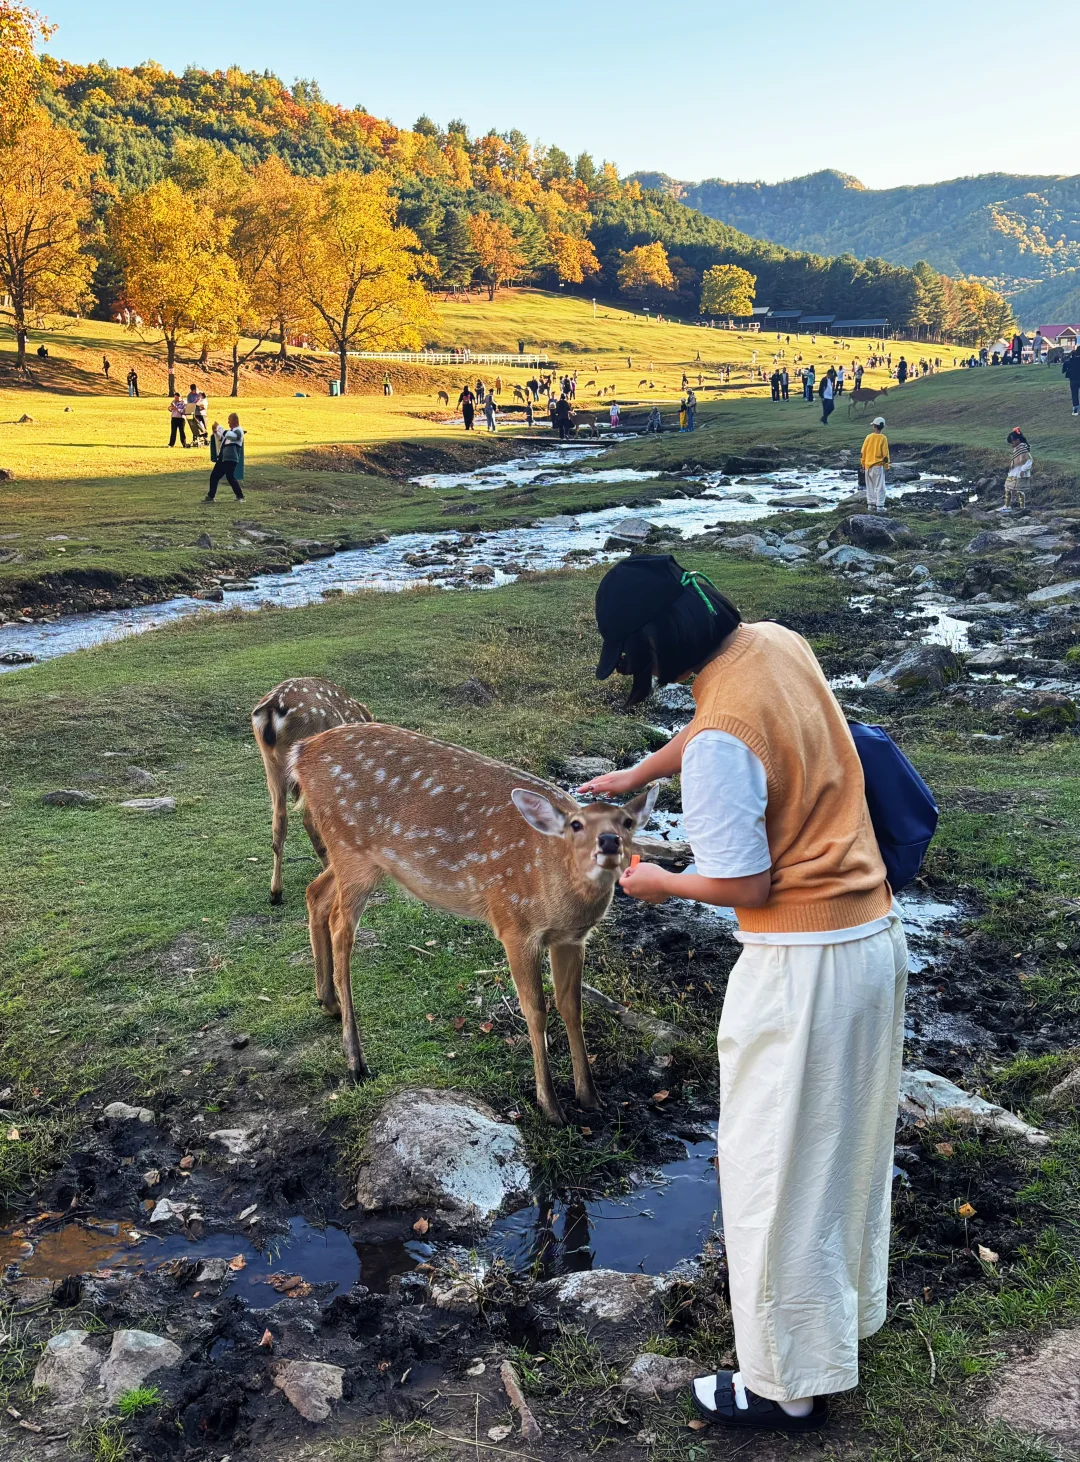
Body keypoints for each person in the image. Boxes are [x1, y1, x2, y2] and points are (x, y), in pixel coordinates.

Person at [577, 554, 906, 1437]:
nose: (637, 675)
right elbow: (719, 725)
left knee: (770, 1174)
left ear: (654, 643)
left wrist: (657, 882)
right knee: (841, 1160)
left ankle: (784, 1387)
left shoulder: (723, 738)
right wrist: (639, 773)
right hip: (872, 941)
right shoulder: (771, 644)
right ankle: (841, 1322)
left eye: (632, 657)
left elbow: (746, 885)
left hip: (803, 970)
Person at [205, 414, 245, 501]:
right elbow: (221, 439)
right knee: (214, 476)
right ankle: (211, 496)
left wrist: (219, 427)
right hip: (223, 458)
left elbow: (230, 436)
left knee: (230, 477)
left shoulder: (238, 431)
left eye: (229, 420)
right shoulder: (230, 432)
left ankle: (240, 496)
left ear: (235, 421)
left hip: (231, 458)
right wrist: (216, 432)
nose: (228, 422)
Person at [860, 416, 890, 511]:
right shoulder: (883, 438)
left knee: (869, 486)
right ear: (882, 427)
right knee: (880, 486)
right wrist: (886, 466)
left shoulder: (868, 437)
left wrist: (863, 464)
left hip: (868, 466)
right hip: (878, 465)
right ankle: (880, 506)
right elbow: (885, 454)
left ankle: (871, 504)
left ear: (874, 426)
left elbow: (863, 451)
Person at [1003, 428, 1032, 509]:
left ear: (1017, 440)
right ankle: (1006, 506)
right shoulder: (1017, 449)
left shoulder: (1023, 449)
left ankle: (1022, 507)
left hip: (1020, 472)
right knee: (1007, 488)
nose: (1011, 444)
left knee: (1019, 490)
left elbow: (1029, 461)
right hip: (1013, 471)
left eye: (1012, 442)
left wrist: (1023, 469)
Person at [1062, 348, 1080, 416]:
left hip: (1073, 380)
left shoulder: (1070, 360)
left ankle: (1075, 410)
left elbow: (1063, 369)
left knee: (1074, 394)